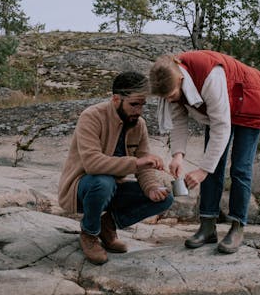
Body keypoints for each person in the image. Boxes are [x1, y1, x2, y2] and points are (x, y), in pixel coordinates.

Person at [149, 50, 260, 254]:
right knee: (212, 164)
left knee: (240, 168)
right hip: (222, 107)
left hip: (250, 98)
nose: (169, 100)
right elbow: (179, 120)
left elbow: (221, 126)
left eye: (171, 95)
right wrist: (178, 156)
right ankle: (207, 226)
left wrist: (203, 170)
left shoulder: (209, 76)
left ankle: (237, 226)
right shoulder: (170, 84)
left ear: (180, 79)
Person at [58, 71, 174, 265]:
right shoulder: (92, 116)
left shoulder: (139, 124)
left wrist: (151, 188)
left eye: (142, 105)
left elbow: (144, 167)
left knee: (165, 198)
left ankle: (107, 225)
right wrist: (135, 163)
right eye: (134, 104)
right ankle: (89, 233)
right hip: (84, 188)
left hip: (112, 189)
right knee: (103, 181)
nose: (139, 111)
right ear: (116, 99)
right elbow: (92, 164)